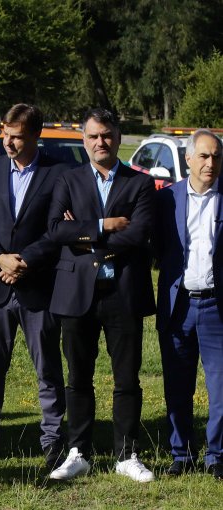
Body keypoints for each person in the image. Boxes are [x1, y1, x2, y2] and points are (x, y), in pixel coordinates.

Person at [47, 108, 156, 483]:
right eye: (93, 136)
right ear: (84, 139)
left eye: (107, 135)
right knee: (78, 376)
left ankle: (127, 453)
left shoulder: (140, 184)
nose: (100, 142)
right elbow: (54, 231)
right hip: (77, 293)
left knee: (126, 377)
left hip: (123, 292)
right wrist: (103, 226)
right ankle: (79, 451)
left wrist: (80, 231)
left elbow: (139, 235)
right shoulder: (68, 179)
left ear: (118, 137)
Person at [0, 104, 66, 467]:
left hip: (38, 287)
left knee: (47, 367)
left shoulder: (58, 174)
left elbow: (57, 230)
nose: (8, 141)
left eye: (17, 136)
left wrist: (25, 261)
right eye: (5, 133)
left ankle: (53, 439)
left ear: (36, 135)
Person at [154, 129, 223, 480]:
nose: (210, 163)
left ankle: (216, 455)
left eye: (216, 157)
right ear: (188, 159)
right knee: (177, 387)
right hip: (178, 305)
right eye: (204, 156)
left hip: (216, 310)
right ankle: (181, 453)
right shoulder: (167, 200)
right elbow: (144, 240)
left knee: (221, 389)